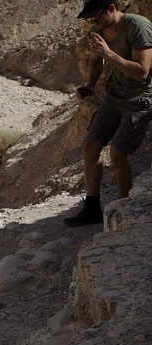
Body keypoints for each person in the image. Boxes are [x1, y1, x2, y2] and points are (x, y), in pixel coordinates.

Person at [67, 0, 152, 226]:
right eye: (89, 18)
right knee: (91, 146)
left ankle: (125, 211)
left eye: (96, 16)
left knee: (117, 153)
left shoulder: (138, 27)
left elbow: (142, 73)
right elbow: (96, 60)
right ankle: (92, 208)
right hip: (115, 95)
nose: (92, 21)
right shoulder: (98, 30)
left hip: (140, 97)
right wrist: (90, 84)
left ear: (112, 8)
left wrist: (109, 53)